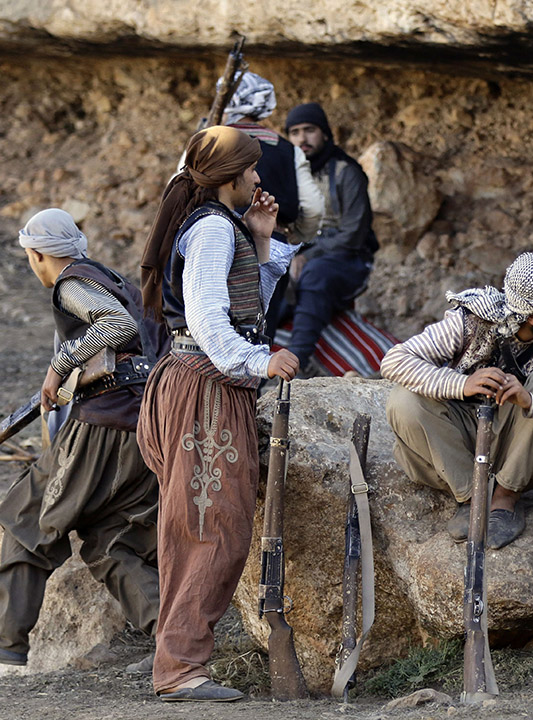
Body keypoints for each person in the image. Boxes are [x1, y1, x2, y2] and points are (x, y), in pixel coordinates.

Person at [137, 125, 301, 701]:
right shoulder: (209, 229)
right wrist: (260, 360)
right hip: (202, 391)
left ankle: (182, 663)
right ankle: (179, 670)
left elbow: (241, 302)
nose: (260, 178)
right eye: (252, 169)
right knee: (206, 530)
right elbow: (208, 323)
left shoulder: (224, 227)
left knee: (216, 528)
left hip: (211, 390)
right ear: (231, 177)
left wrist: (259, 243)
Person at [0, 210, 161, 670]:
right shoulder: (116, 280)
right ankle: (176, 645)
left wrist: (59, 365)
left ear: (35, 254)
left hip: (102, 427)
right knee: (111, 542)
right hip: (144, 428)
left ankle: (6, 649)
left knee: (24, 519)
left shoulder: (71, 283)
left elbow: (116, 326)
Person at [382, 253, 533, 549]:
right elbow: (394, 360)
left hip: (520, 449)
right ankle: (471, 496)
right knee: (404, 400)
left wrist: (530, 401)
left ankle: (505, 496)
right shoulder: (473, 319)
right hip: (458, 446)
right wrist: (462, 384)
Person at [221, 72, 323, 339]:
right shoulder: (287, 148)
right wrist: (294, 239)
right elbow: (312, 208)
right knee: (261, 324)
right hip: (271, 243)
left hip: (216, 239)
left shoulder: (209, 140)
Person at [284, 102, 378, 374]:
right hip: (304, 251)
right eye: (295, 132)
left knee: (315, 274)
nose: (302, 139)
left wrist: (307, 256)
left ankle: (296, 361)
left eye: (309, 130)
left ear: (324, 133)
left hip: (348, 259)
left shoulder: (347, 173)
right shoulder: (291, 174)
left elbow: (353, 235)